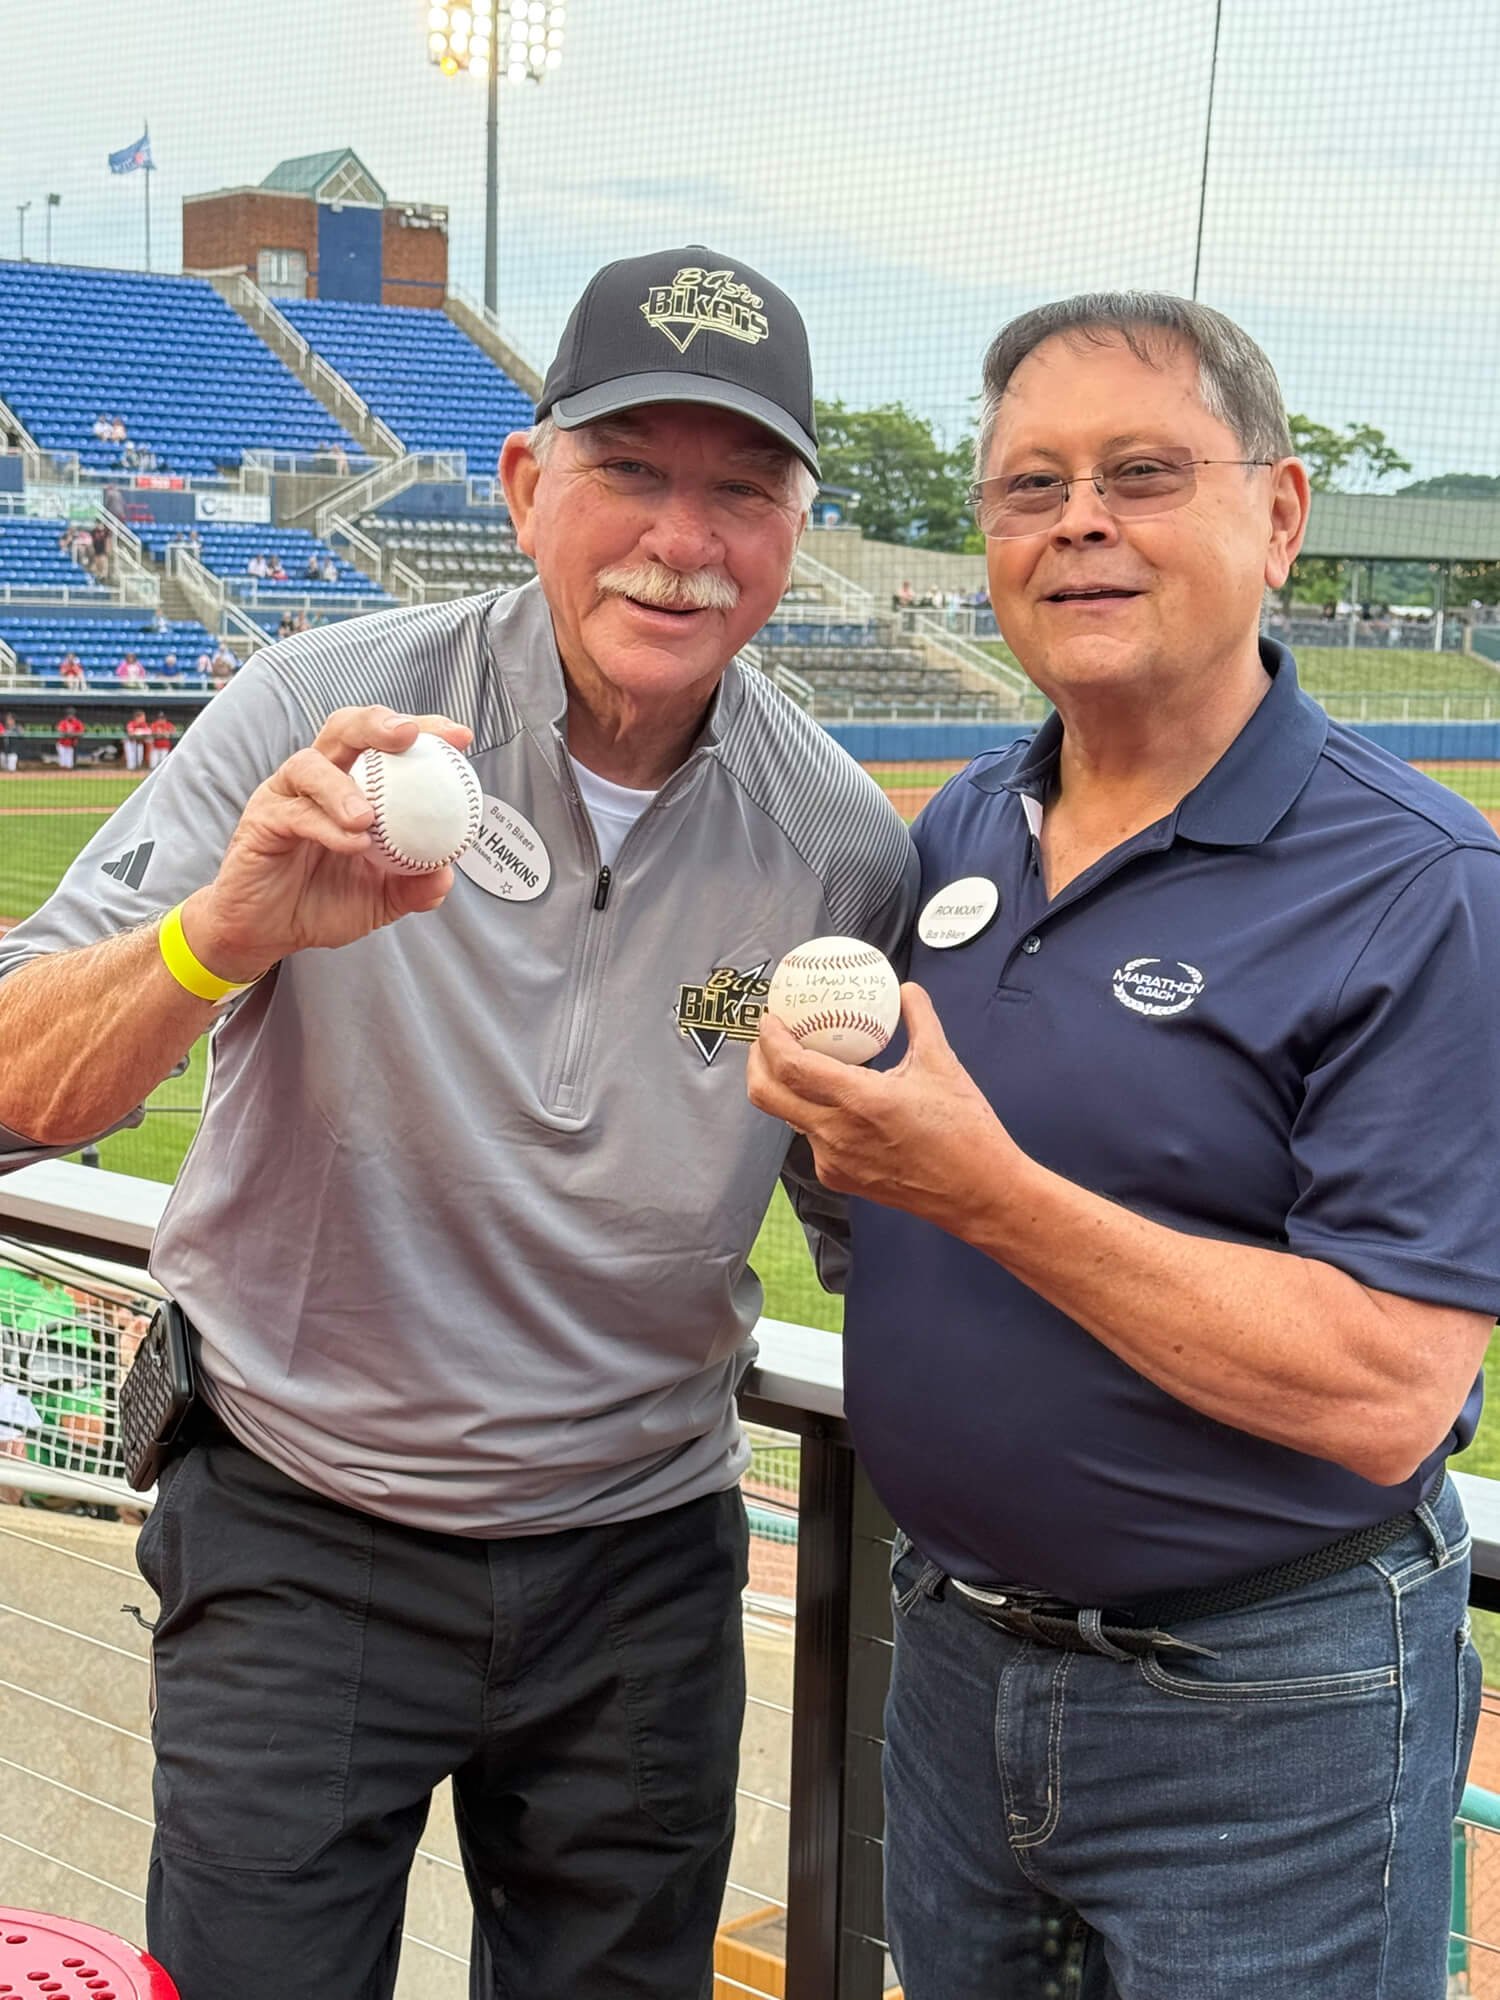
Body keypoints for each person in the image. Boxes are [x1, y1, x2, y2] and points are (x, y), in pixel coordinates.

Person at [0, 242, 917, 2000]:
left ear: (796, 535)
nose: (682, 534)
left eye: (741, 488)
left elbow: (882, 1236)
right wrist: (227, 932)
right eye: (629, 468)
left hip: (641, 1566)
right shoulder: (320, 721)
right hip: (300, 1518)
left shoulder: (840, 846)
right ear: (524, 486)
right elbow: (27, 1086)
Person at [748, 291, 1500, 2000]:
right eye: (1030, 485)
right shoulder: (959, 829)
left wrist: (986, 1192)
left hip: (1268, 1710)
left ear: (1281, 514)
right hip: (947, 1656)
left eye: (1143, 471)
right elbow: (865, 1161)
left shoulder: (1422, 890)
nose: (1078, 519)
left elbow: (1387, 1388)